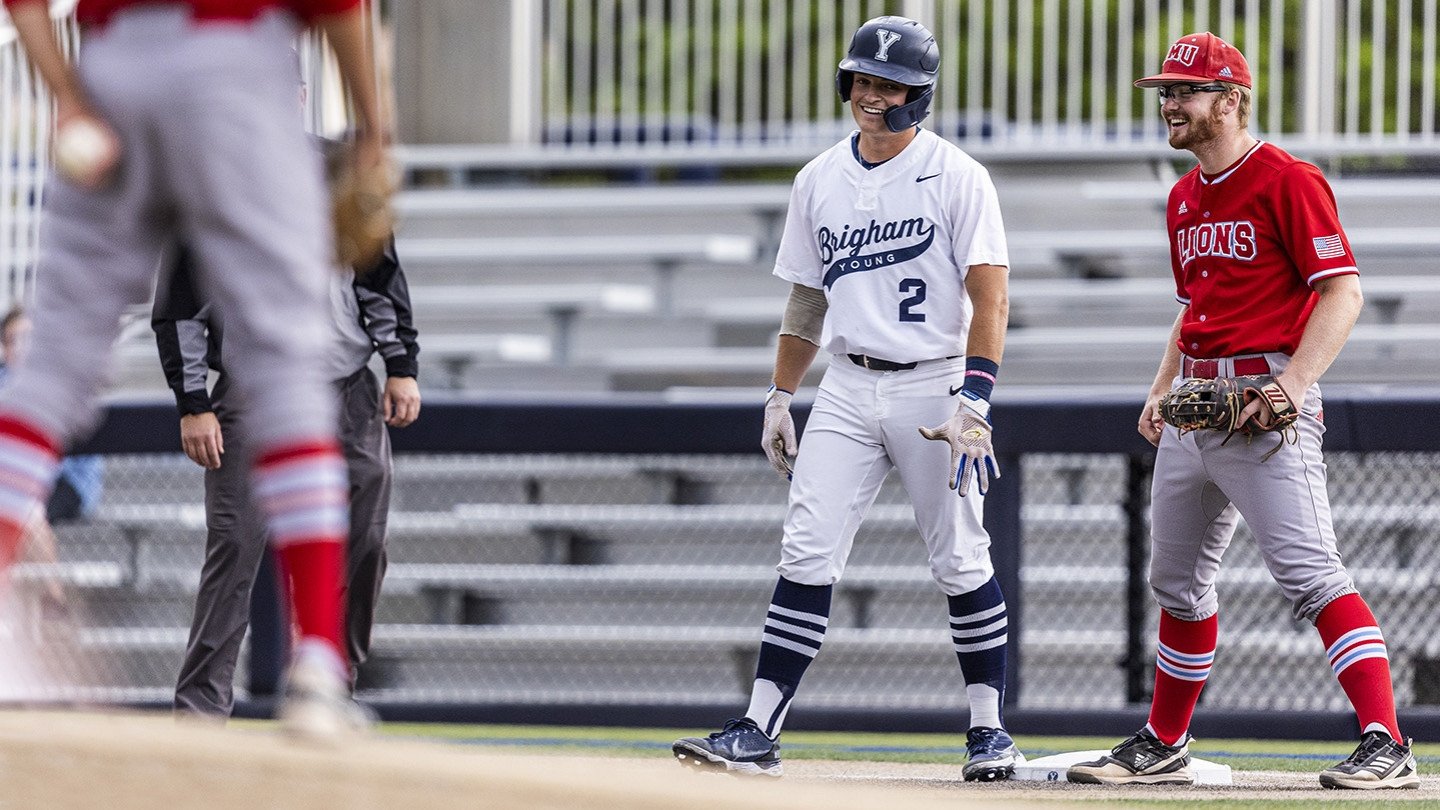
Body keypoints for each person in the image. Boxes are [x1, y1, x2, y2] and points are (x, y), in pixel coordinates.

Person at [0, 0, 388, 740]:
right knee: (283, 365)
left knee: (49, 368)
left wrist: (70, 95)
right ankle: (316, 667)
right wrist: (374, 128)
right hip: (234, 64)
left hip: (109, 64)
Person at [671, 15, 1021, 782]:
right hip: (847, 382)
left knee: (961, 556)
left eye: (887, 83)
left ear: (918, 94)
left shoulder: (958, 175)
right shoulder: (818, 178)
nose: (871, 94)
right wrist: (778, 394)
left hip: (935, 379)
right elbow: (806, 300)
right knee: (806, 545)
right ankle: (759, 728)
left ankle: (990, 731)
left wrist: (976, 400)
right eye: (863, 78)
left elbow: (989, 298)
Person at [1067, 33, 1418, 790]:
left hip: (1267, 400)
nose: (1169, 103)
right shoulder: (1182, 195)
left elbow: (1342, 292)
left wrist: (1291, 387)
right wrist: (1161, 385)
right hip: (1197, 401)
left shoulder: (1287, 178)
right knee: (1177, 582)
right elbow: (1193, 306)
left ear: (1231, 99)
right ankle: (1165, 741)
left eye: (1185, 91)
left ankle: (1387, 742)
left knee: (1312, 576)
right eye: (1165, 91)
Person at [155, 233, 419, 719]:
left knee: (366, 538)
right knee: (234, 545)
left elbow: (380, 279)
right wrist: (193, 402)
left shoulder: (341, 183)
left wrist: (400, 364)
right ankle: (199, 711)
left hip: (347, 388)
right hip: (254, 389)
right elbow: (180, 306)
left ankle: (331, 685)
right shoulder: (219, 190)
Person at [0, 306, 103, 621]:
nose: (24, 346)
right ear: (4, 348)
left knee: (27, 507)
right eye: (16, 339)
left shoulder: (62, 382)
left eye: (31, 338)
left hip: (66, 479)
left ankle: (53, 598)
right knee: (20, 503)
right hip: (15, 477)